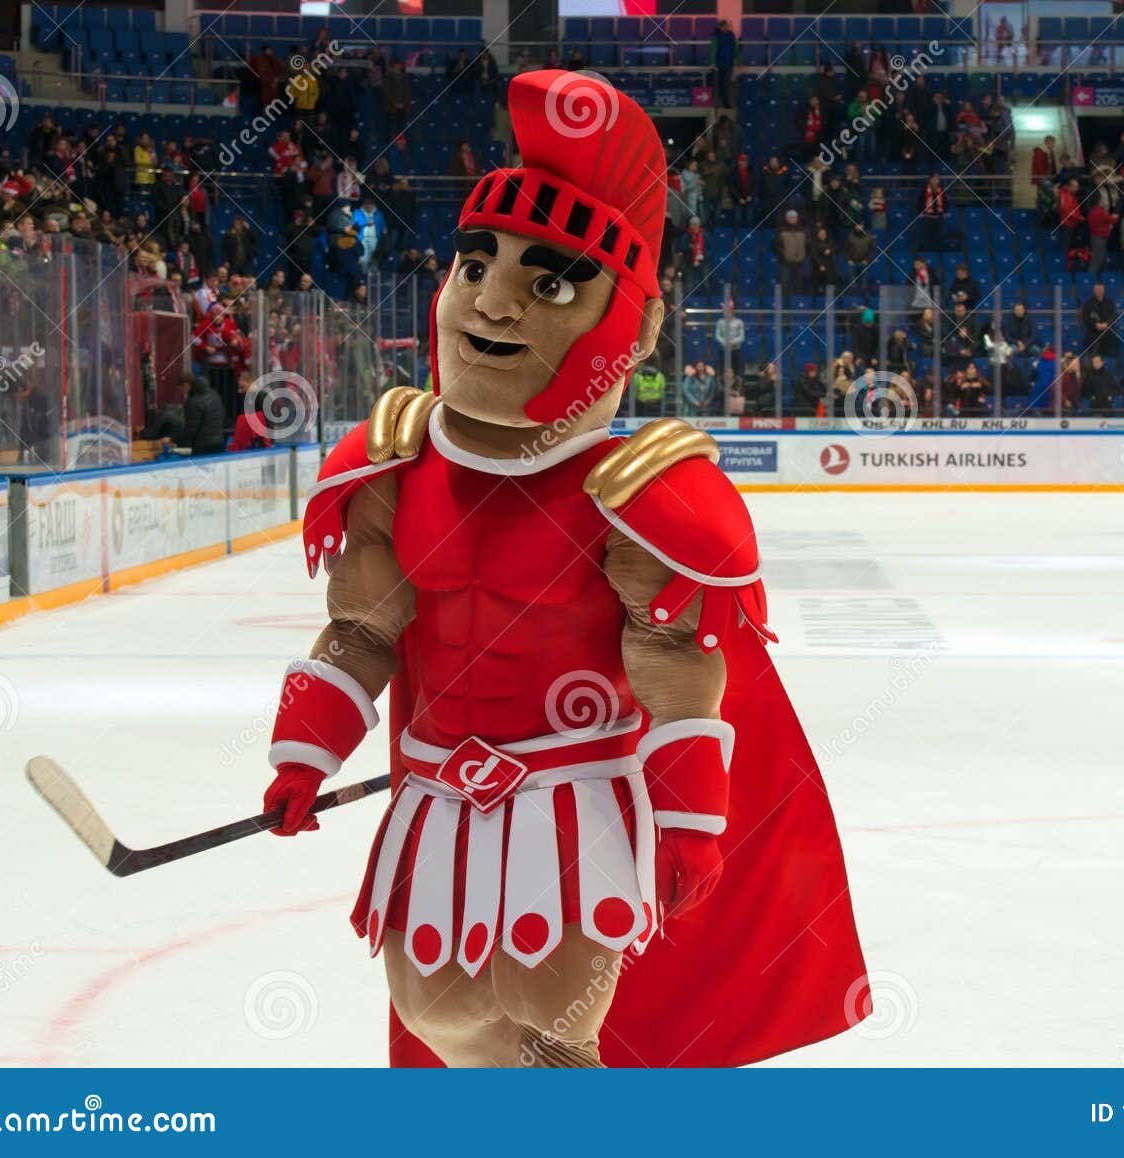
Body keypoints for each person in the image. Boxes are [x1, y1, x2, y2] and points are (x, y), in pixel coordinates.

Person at [260, 74, 865, 1069]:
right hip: (439, 798)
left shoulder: (639, 495)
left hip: (570, 799)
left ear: (634, 323)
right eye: (474, 264)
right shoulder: (393, 461)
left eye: (550, 282)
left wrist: (688, 826)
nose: (493, 302)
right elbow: (363, 631)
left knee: (552, 1024)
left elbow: (676, 669)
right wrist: (303, 753)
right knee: (437, 1012)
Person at [180, 372, 224, 456]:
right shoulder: (215, 395)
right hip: (219, 441)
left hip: (202, 445)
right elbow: (222, 416)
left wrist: (179, 441)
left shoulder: (194, 401)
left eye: (181, 389)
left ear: (186, 385)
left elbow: (191, 427)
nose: (183, 392)